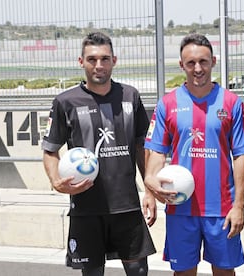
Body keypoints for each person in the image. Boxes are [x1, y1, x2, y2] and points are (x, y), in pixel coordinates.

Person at [42, 32, 156, 276]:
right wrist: (56, 182)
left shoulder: (130, 96)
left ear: (114, 60)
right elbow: (50, 150)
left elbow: (141, 147)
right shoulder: (65, 101)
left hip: (127, 207)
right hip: (86, 208)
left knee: (138, 271)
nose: (99, 65)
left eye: (105, 59)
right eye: (92, 59)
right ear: (81, 62)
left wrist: (150, 190)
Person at [143, 33, 244, 276]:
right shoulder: (168, 103)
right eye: (191, 63)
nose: (198, 68)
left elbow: (240, 157)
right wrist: (149, 187)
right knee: (183, 273)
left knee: (225, 272)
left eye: (203, 61)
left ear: (213, 61)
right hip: (180, 206)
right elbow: (157, 153)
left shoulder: (232, 102)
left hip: (222, 209)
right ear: (182, 65)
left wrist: (239, 206)